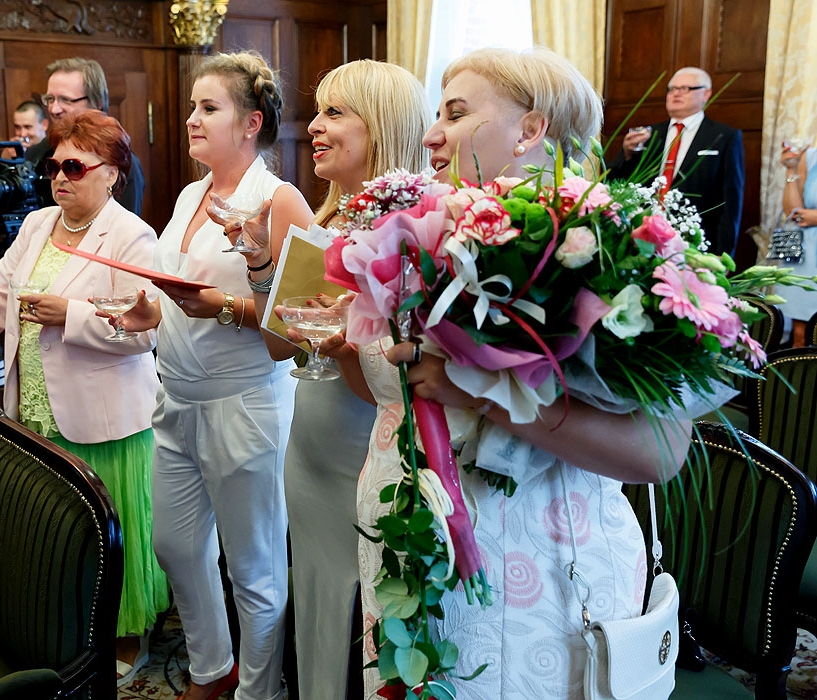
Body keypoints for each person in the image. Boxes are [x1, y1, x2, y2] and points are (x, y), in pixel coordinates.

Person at [354, 48, 693, 698]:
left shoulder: (621, 249)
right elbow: (386, 395)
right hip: (414, 560)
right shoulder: (419, 240)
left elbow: (661, 451)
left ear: (531, 130)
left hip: (546, 574)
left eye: (455, 114)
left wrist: (473, 389)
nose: (430, 135)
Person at [0, 111, 168, 686]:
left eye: (74, 166)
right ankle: (66, 638)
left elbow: (147, 334)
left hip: (104, 418)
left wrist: (72, 315)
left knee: (109, 543)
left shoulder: (131, 235)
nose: (59, 178)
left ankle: (124, 641)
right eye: (52, 166)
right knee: (59, 536)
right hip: (36, 409)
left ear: (112, 173)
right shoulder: (39, 224)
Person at [220, 59, 430, 700]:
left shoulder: (416, 232)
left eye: (335, 113)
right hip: (307, 451)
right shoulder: (324, 226)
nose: (313, 126)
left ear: (383, 125)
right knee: (314, 596)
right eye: (317, 112)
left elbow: (407, 375)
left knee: (368, 605)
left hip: (364, 451)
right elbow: (280, 344)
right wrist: (260, 260)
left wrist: (344, 353)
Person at [113, 50, 314, 700]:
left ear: (251, 122)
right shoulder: (190, 194)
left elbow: (301, 323)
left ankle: (258, 690)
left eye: (209, 108)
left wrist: (225, 305)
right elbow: (181, 289)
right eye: (194, 107)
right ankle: (211, 666)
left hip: (244, 404)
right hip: (176, 402)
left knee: (253, 568)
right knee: (174, 545)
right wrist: (150, 313)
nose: (193, 119)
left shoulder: (278, 200)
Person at [607, 67, 745, 257]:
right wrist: (626, 154)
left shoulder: (724, 137)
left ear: (706, 93)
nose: (676, 93)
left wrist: (724, 252)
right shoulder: (649, 135)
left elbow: (732, 200)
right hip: (645, 238)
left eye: (685, 88)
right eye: (671, 89)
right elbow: (618, 183)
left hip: (696, 240)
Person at [29, 57, 145, 217]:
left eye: (65, 100)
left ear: (97, 103)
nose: (54, 109)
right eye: (50, 99)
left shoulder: (121, 163)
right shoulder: (35, 156)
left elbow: (124, 232)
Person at [778, 141, 817, 345]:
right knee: (801, 335)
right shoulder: (809, 156)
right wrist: (791, 168)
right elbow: (793, 211)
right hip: (807, 254)